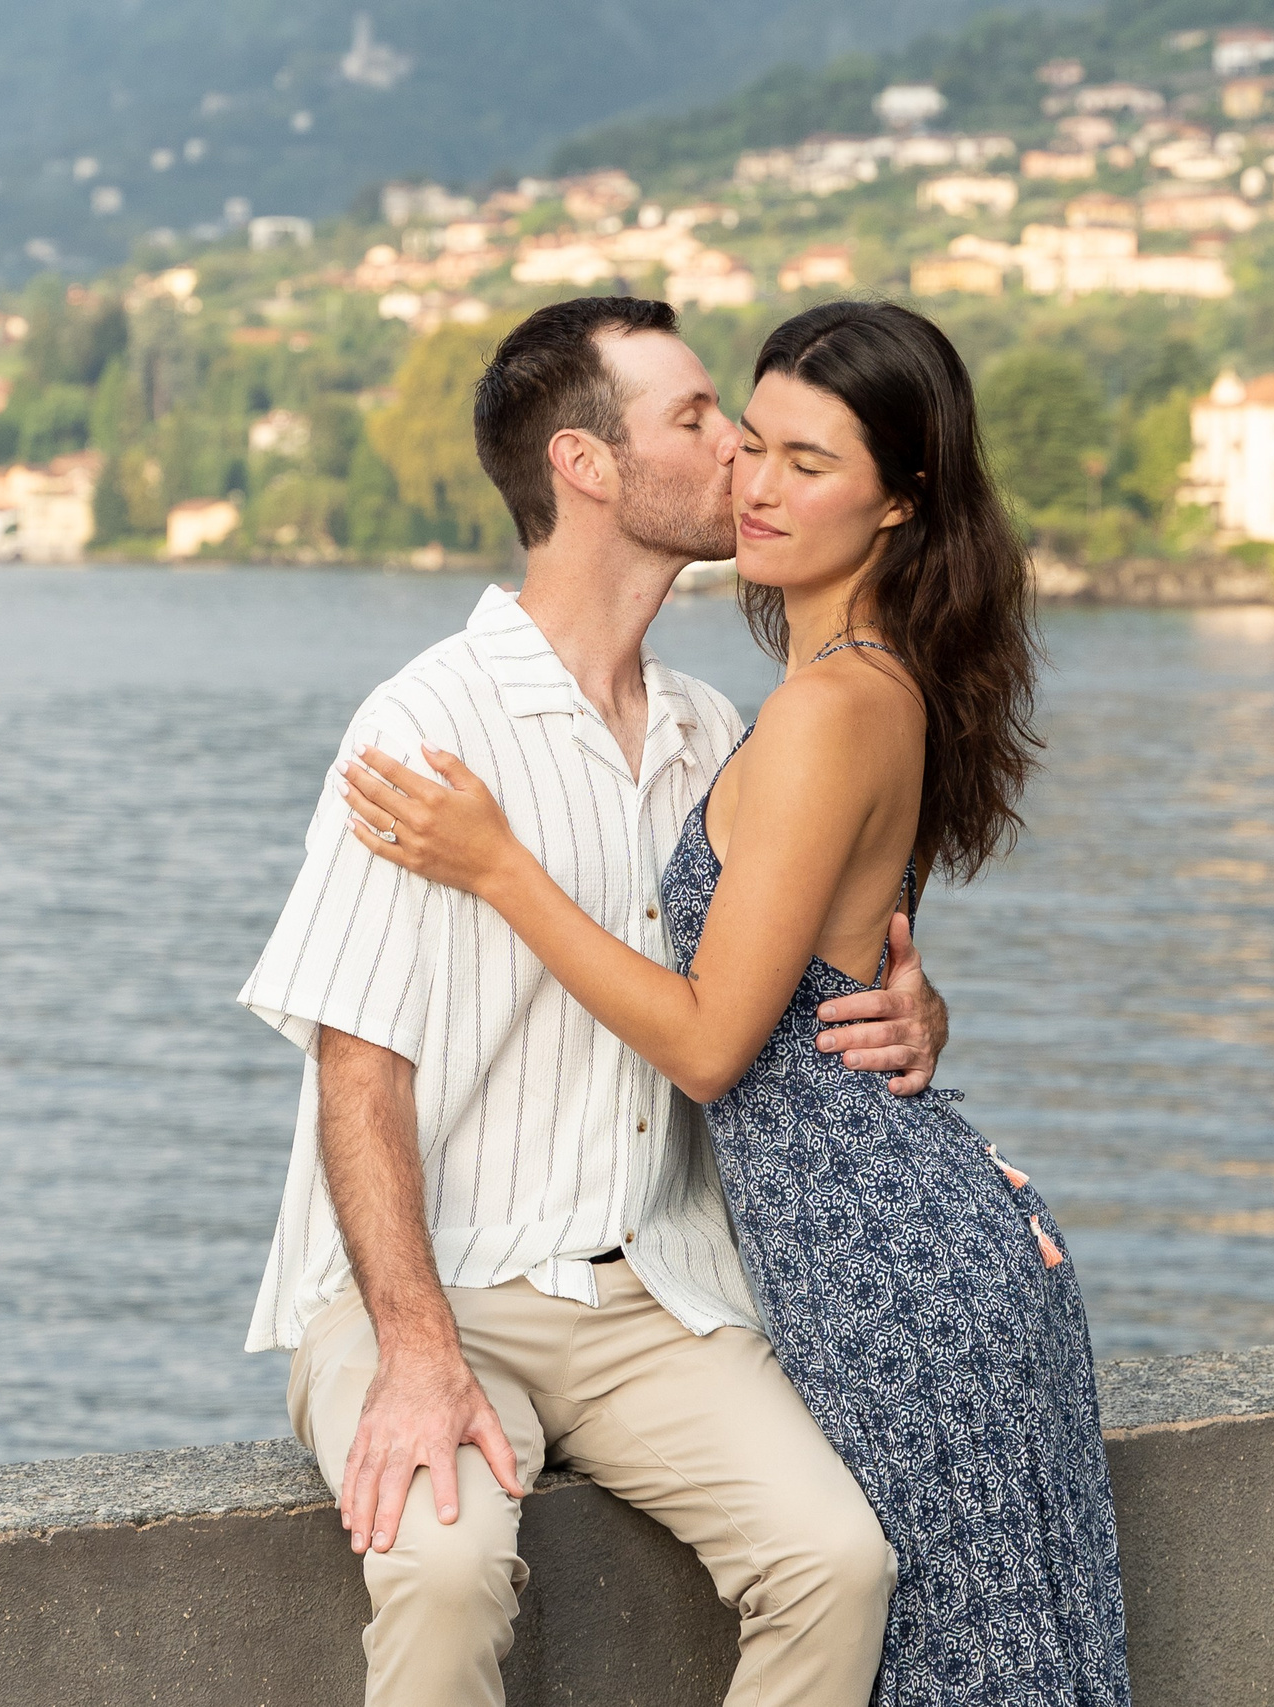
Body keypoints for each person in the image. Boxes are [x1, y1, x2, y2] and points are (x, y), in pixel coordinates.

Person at [338, 301, 1131, 1705]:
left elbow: (715, 1043)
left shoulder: (821, 708)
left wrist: (499, 867)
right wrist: (914, 1012)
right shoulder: (784, 703)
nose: (752, 479)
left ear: (901, 502)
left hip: (875, 1258)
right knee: (970, 1648)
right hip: (852, 1239)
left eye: (805, 462)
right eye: (744, 439)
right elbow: (848, 963)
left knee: (940, 1645)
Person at [236, 294, 955, 1707]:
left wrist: (916, 1015)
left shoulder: (711, 731)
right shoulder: (425, 725)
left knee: (839, 1564)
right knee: (445, 1570)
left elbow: (764, 998)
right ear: (585, 464)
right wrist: (416, 1350)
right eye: (698, 418)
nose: (739, 448)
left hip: (656, 1293)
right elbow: (358, 1073)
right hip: (431, 1286)